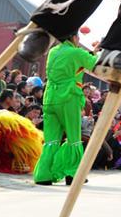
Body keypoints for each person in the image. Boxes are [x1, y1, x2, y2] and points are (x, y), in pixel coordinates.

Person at [33, 32, 99, 186]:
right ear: (74, 38)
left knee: (51, 140)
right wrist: (98, 53)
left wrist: (91, 52)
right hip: (68, 98)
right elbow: (94, 64)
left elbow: (76, 62)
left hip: (50, 98)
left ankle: (44, 175)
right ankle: (73, 174)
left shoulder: (53, 51)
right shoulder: (76, 52)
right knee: (73, 138)